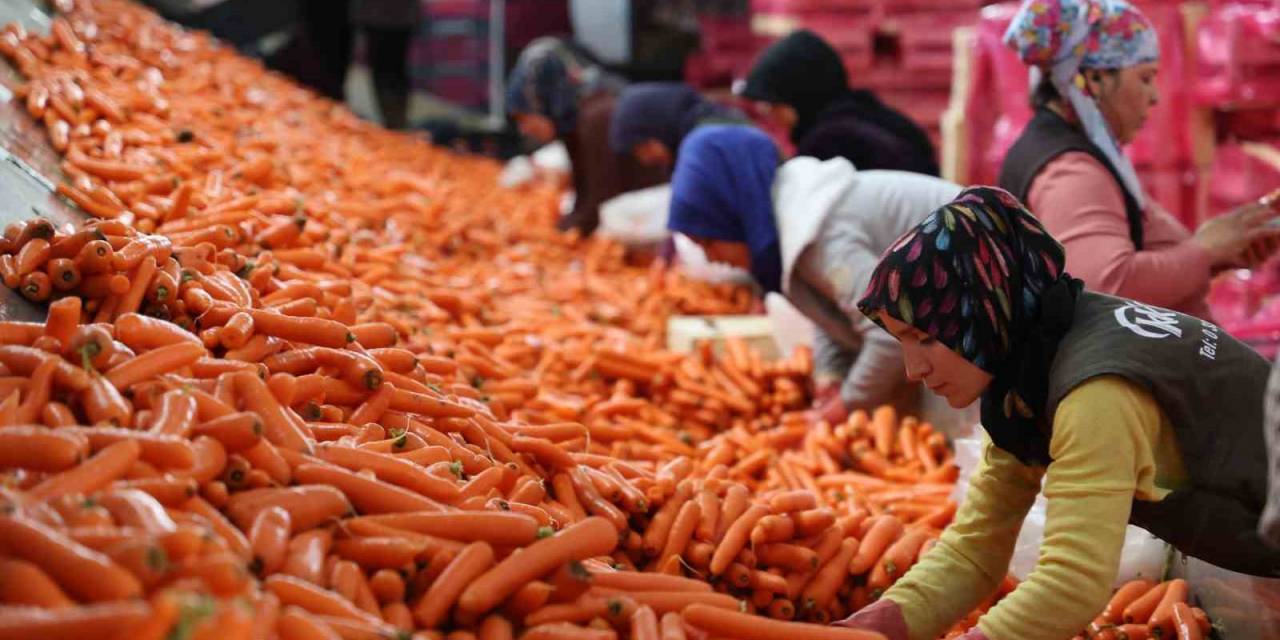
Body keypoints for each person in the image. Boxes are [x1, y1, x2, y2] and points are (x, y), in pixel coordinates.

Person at [837, 186, 1279, 640]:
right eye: (901, 342)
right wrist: (884, 622)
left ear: (980, 312)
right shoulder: (1031, 364)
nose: (913, 369)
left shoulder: (1093, 394)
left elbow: (1073, 585)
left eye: (926, 338)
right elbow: (975, 551)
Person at [998, 0, 1276, 319]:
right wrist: (1205, 252)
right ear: (1095, 79)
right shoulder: (1071, 171)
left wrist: (1222, 250)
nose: (1155, 96)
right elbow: (1107, 286)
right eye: (1145, 78)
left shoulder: (1083, 155)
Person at [666, 125, 962, 423]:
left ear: (734, 214)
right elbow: (832, 309)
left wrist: (847, 405)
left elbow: (891, 333)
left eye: (709, 241)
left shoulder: (822, 232)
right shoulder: (797, 222)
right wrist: (829, 374)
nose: (711, 258)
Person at [506, 38, 668, 234]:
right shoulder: (576, 121)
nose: (524, 129)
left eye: (525, 118)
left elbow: (600, 200)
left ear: (543, 100)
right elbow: (585, 196)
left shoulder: (596, 117)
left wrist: (558, 236)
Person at [739, 29, 938, 176]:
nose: (770, 113)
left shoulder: (828, 144)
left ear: (799, 96)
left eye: (775, 104)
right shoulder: (878, 117)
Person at [608, 83, 745, 171]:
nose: (645, 160)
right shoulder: (686, 144)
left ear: (658, 127)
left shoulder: (711, 140)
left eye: (644, 148)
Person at [351, 0, 419, 129]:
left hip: (385, 17)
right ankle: (395, 120)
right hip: (388, 17)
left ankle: (395, 121)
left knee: (388, 72)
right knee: (391, 71)